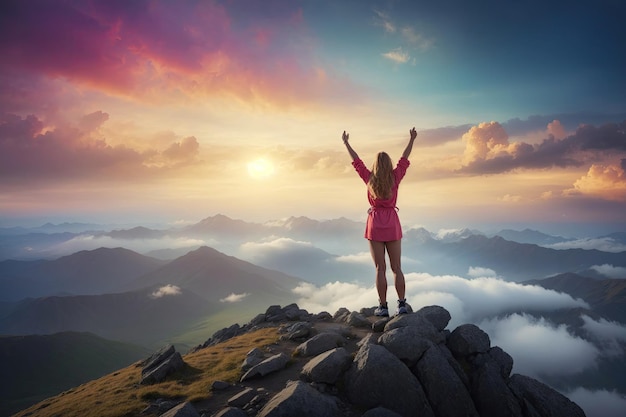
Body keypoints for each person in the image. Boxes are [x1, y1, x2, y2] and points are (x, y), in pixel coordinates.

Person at [343, 127, 417, 317]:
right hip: (392, 223)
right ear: (389, 164)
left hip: (375, 224)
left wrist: (346, 143)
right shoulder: (395, 177)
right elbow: (405, 159)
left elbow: (356, 162)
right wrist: (412, 139)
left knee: (380, 268)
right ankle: (401, 304)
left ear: (375, 164)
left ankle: (383, 307)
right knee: (397, 268)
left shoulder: (369, 179)